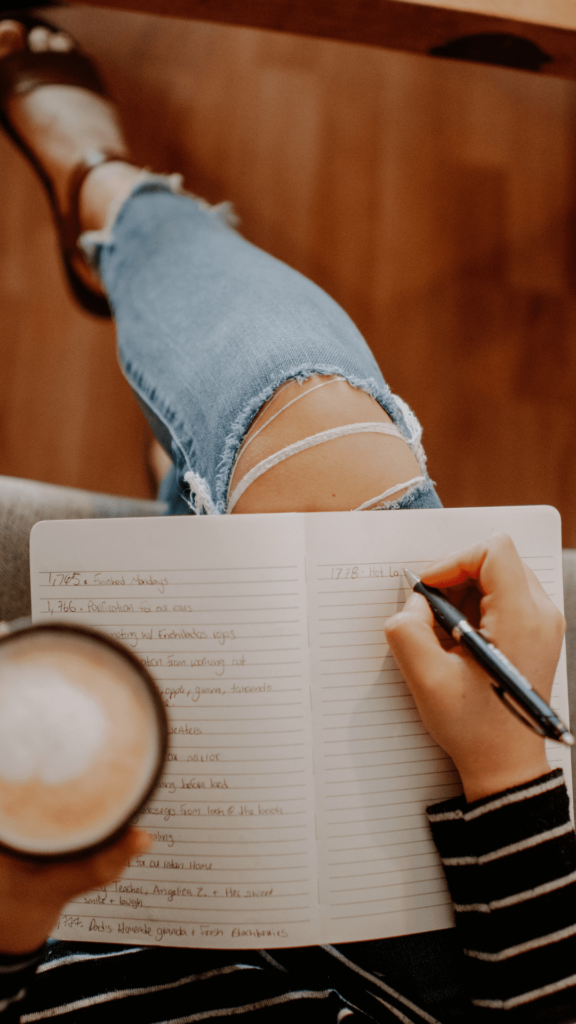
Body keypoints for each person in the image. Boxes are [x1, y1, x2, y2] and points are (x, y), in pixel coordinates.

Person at [0, 15, 575, 1022]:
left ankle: (183, 468)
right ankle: (111, 196)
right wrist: (508, 769)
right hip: (433, 962)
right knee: (312, 426)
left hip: (75, 957)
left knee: (244, 474)